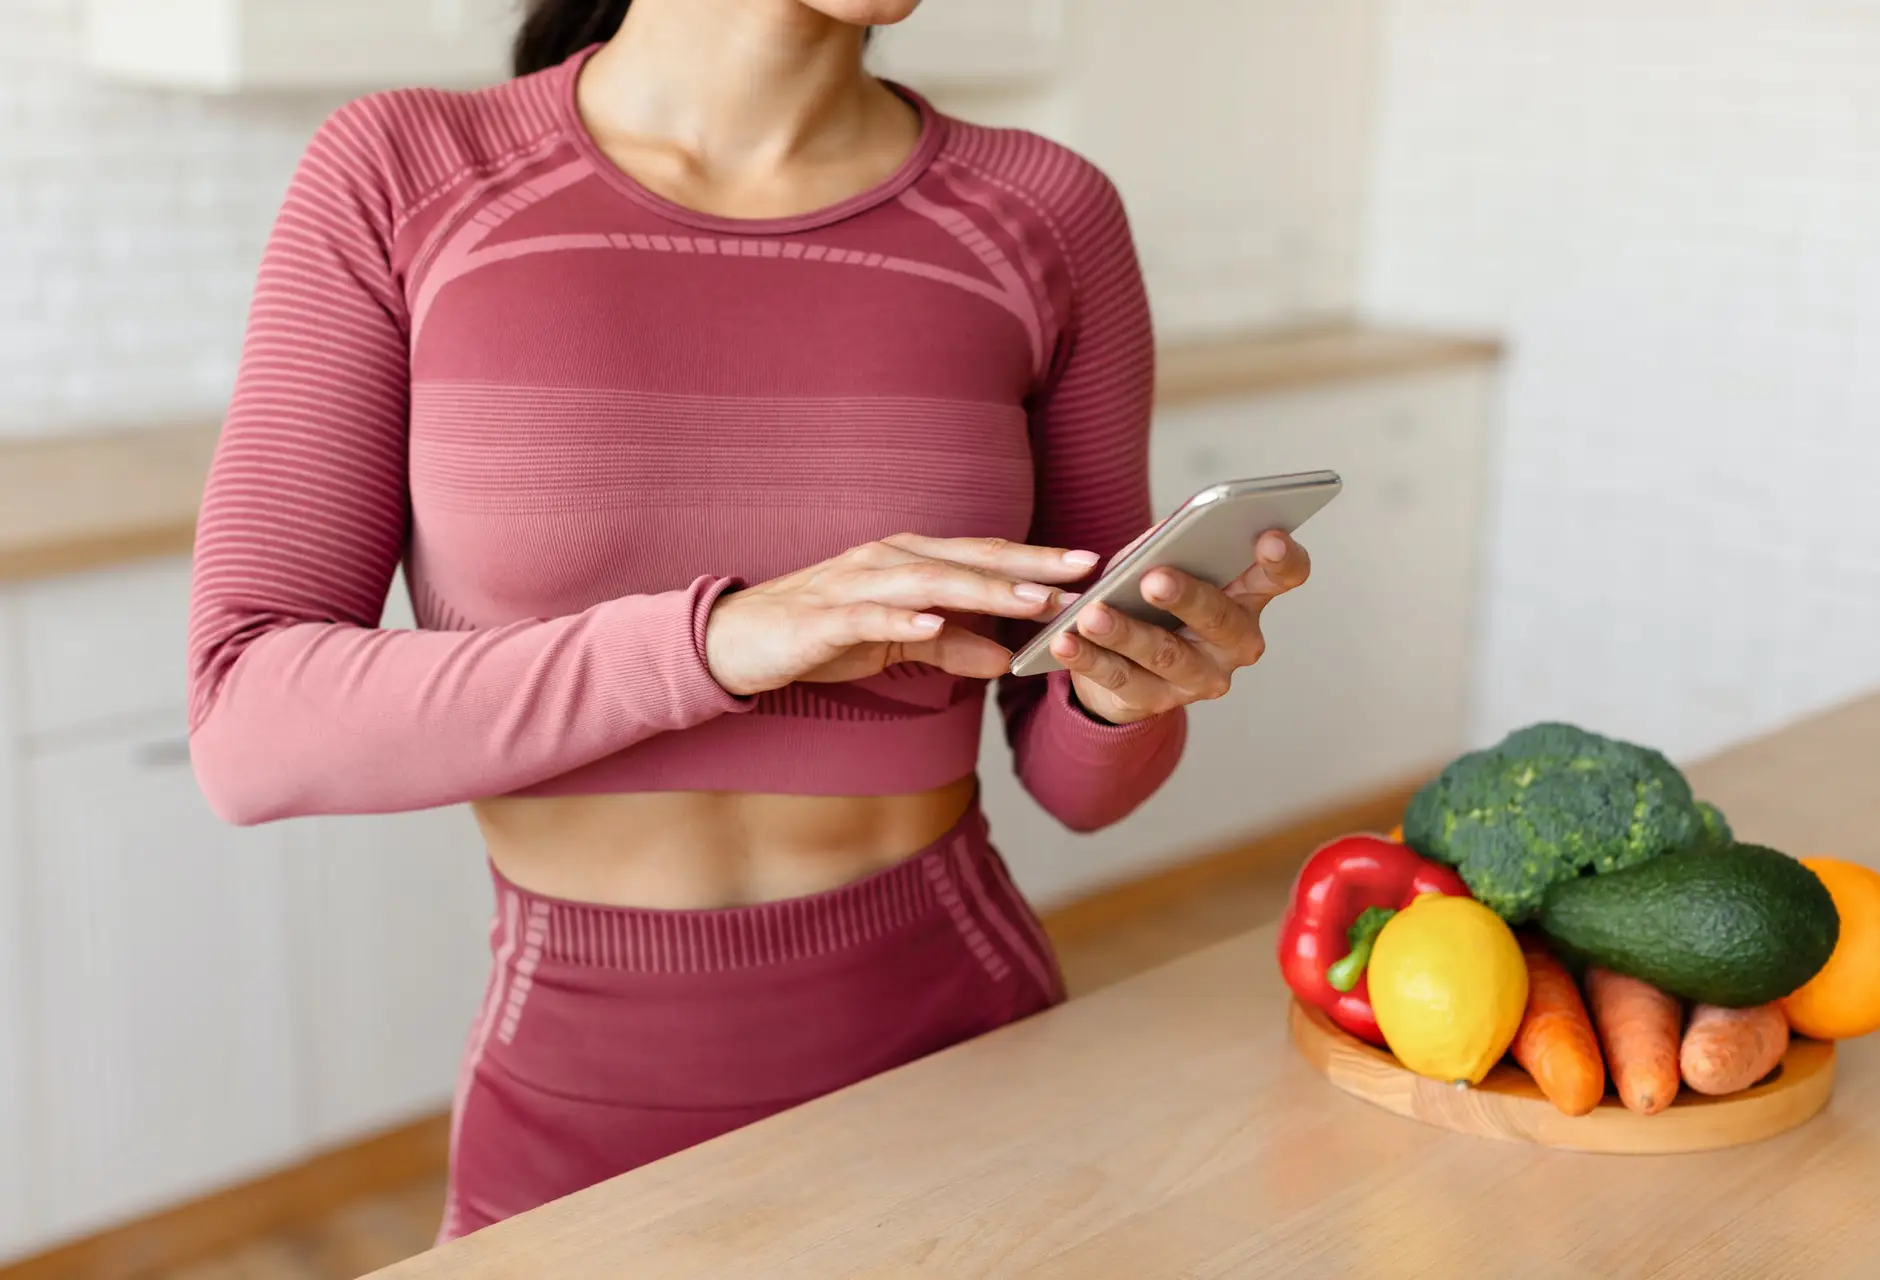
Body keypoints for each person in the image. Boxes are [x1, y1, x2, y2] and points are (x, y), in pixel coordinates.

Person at [186, 0, 1312, 1242]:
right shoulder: (411, 173)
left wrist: (1118, 689)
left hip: (964, 1058)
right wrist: (718, 643)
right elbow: (248, 727)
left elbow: (1079, 783)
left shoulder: (1044, 210)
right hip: (571, 1101)